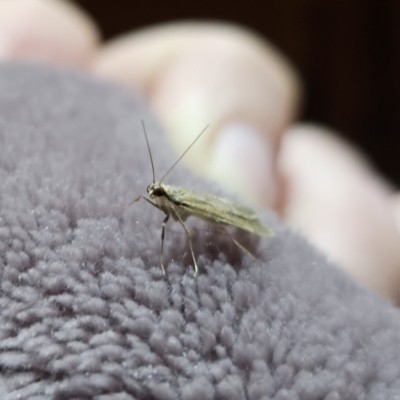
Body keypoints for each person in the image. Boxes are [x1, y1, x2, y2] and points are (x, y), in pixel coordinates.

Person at [2, 0, 399, 302]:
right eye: (154, 195)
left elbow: (190, 230)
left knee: (219, 225)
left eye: (156, 195)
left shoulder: (177, 199)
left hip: (240, 211)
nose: (152, 197)